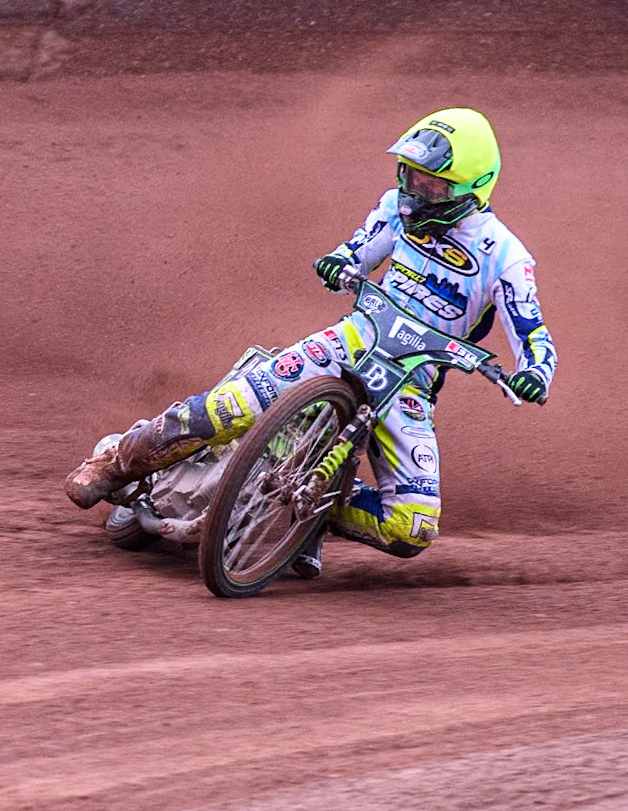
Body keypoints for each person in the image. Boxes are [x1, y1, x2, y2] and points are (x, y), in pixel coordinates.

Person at [64, 107, 556, 577]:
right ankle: (114, 463)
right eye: (409, 176)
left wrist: (535, 372)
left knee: (412, 528)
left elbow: (533, 332)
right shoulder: (394, 207)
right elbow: (356, 252)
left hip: (411, 382)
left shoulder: (506, 257)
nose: (414, 193)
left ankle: (314, 503)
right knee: (230, 407)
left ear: (473, 187)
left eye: (431, 185)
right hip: (351, 340)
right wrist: (338, 262)